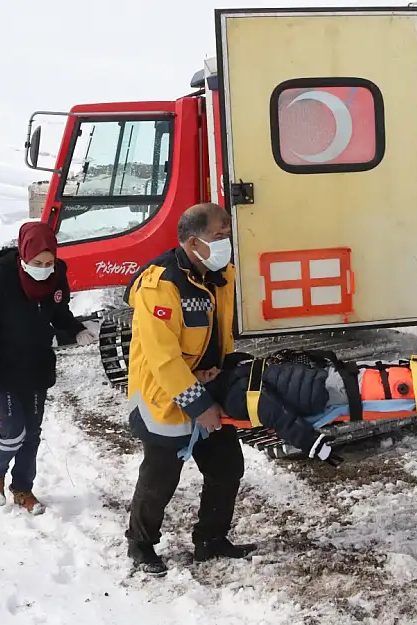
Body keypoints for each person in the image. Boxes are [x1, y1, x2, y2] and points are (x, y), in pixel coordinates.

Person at [122, 202, 255, 576]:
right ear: (194, 243)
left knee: (227, 468)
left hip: (209, 383)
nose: (227, 242)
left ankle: (210, 540)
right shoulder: (160, 286)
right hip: (165, 394)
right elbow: (163, 358)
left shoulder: (218, 275)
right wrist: (199, 404)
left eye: (228, 234)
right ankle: (140, 545)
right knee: (160, 477)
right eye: (220, 236)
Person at [0, 222, 96, 515]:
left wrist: (76, 330)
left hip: (37, 369)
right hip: (1, 372)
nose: (44, 268)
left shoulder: (57, 275)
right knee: (13, 430)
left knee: (32, 434)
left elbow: (59, 313)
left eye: (49, 263)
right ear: (23, 256)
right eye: (37, 263)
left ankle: (23, 488)